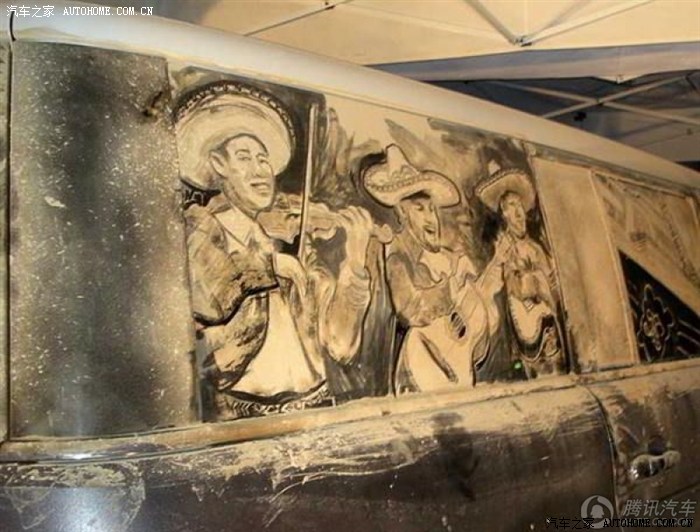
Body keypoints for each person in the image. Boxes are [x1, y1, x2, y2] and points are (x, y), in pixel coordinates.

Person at [175, 81, 374, 420]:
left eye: (263, 159)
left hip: (314, 407)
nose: (260, 171)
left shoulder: (286, 246)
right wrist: (271, 267)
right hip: (243, 415)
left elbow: (340, 344)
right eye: (244, 158)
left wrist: (354, 262)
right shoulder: (201, 230)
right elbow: (210, 298)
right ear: (218, 164)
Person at [363, 145, 503, 393]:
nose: (431, 218)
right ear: (402, 213)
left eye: (432, 209)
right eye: (419, 209)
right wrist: (452, 286)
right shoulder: (397, 254)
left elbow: (477, 330)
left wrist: (483, 293)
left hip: (456, 369)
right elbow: (411, 309)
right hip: (417, 369)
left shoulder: (446, 258)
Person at [475, 164, 564, 377]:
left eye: (520, 206)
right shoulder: (502, 248)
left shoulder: (536, 248)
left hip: (546, 322)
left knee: (555, 369)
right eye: (512, 206)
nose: (518, 213)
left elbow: (552, 285)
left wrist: (541, 282)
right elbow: (509, 287)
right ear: (504, 213)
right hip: (522, 325)